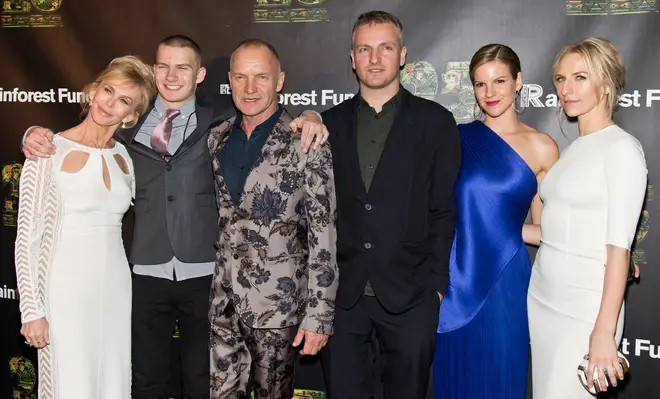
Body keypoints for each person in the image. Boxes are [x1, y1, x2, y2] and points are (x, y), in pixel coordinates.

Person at [20, 35, 329, 399]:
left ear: (199, 75)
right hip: (143, 273)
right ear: (154, 70)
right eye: (164, 66)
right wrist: (32, 133)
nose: (172, 76)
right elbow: (80, 140)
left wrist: (312, 115)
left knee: (203, 380)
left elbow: (269, 114)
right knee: (145, 378)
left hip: (205, 273)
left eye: (182, 67)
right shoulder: (127, 123)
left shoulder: (222, 118)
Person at [319, 11, 461, 399]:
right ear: (352, 58)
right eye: (365, 49)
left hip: (411, 296)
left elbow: (445, 211)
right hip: (342, 298)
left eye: (385, 48)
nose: (375, 58)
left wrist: (434, 289)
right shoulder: (327, 125)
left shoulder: (436, 122)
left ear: (402, 56)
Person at [15, 55, 156, 399]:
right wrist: (32, 310)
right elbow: (26, 240)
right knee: (70, 384)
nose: (110, 103)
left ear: (132, 114)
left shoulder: (124, 157)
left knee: (112, 382)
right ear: (93, 91)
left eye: (123, 100)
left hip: (115, 288)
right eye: (107, 90)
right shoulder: (48, 152)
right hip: (64, 290)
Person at [207, 38, 338, 399]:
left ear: (279, 81)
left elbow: (323, 233)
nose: (250, 89)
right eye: (240, 77)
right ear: (230, 81)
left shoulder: (306, 141)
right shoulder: (216, 138)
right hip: (223, 301)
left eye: (261, 77)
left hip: (278, 307)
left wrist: (319, 315)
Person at [432, 44, 558, 398]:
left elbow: (550, 230)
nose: (489, 93)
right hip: (455, 282)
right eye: (480, 84)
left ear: (518, 82)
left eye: (499, 81)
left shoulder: (543, 147)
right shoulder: (455, 139)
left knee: (502, 379)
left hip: (507, 283)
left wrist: (498, 230)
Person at [525, 37, 647, 398]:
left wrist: (603, 332)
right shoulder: (574, 149)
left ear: (606, 82)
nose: (566, 89)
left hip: (584, 310)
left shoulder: (622, 149)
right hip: (544, 299)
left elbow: (618, 251)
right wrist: (497, 229)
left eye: (580, 77)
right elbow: (555, 232)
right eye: (561, 79)